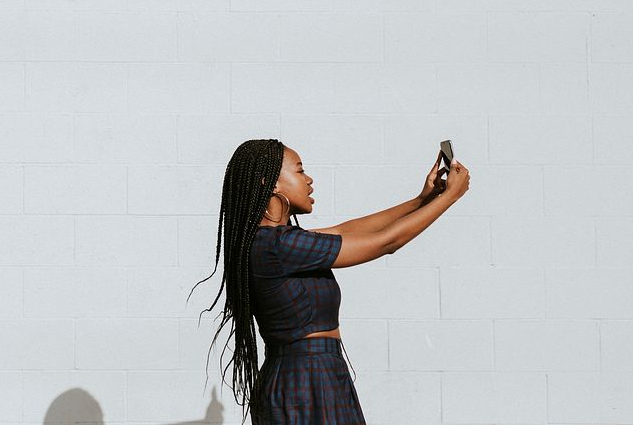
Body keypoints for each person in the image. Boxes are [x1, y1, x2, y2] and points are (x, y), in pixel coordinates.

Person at [189, 138, 470, 425]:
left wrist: (421, 200)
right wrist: (450, 198)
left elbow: (345, 230)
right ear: (270, 183)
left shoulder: (274, 243)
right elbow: (387, 242)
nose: (309, 180)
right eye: (299, 171)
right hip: (309, 377)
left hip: (309, 373)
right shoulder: (277, 245)